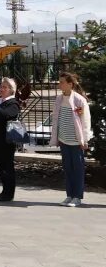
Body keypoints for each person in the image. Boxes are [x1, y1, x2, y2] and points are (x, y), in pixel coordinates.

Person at [50, 72, 93, 207]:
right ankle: (69, 195)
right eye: (59, 82)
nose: (59, 84)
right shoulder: (59, 99)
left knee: (77, 169)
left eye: (62, 82)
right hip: (64, 139)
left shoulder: (80, 100)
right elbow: (56, 118)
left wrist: (84, 140)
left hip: (76, 141)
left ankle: (77, 197)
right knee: (68, 168)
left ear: (70, 84)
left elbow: (86, 121)